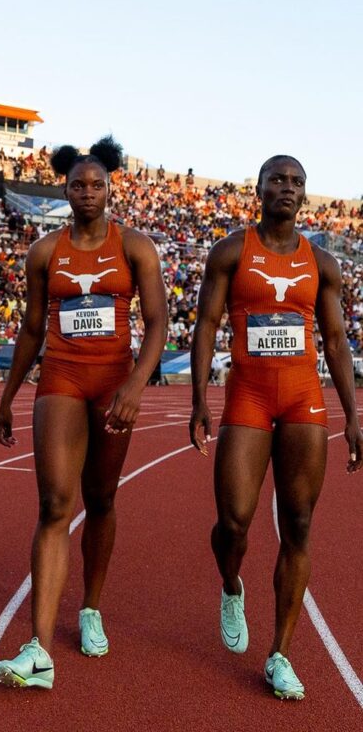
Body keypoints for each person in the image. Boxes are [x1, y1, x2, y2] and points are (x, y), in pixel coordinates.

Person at [0, 138, 167, 689]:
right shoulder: (45, 252)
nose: (87, 193)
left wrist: (137, 383)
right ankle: (39, 647)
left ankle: (90, 606)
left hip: (114, 383)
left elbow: (159, 322)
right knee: (53, 504)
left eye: (97, 185)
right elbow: (30, 328)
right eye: (78, 185)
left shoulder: (135, 246)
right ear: (64, 190)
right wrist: (8, 394)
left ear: (111, 188)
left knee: (102, 497)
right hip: (62, 379)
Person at [189, 155, 363, 701]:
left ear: (305, 195)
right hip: (249, 395)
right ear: (258, 189)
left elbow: (335, 342)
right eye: (278, 180)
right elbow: (207, 324)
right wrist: (198, 397)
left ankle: (280, 652)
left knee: (300, 524)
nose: (287, 188)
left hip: (303, 400)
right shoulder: (231, 252)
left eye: (297, 182)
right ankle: (231, 583)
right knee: (234, 523)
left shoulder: (324, 264)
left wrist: (353, 415)